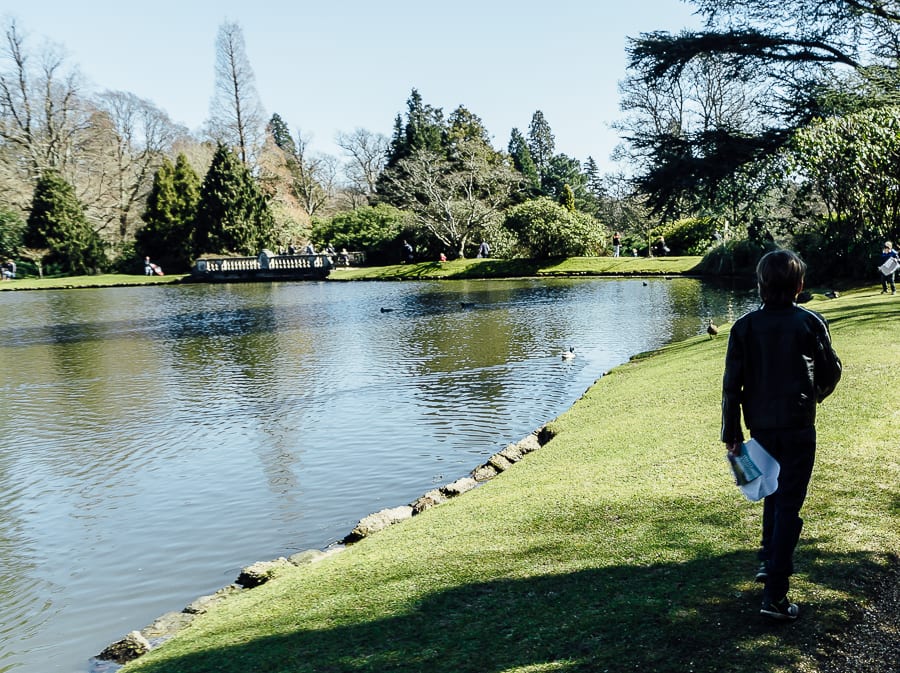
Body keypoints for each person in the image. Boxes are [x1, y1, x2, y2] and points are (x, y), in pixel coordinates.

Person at [721, 249, 842, 621]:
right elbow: (831, 370)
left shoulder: (744, 326)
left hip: (761, 427)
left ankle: (767, 559)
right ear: (800, 286)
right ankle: (775, 594)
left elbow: (731, 386)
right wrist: (813, 397)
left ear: (760, 285)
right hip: (798, 426)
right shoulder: (810, 321)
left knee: (774, 493)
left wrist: (731, 429)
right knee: (787, 502)